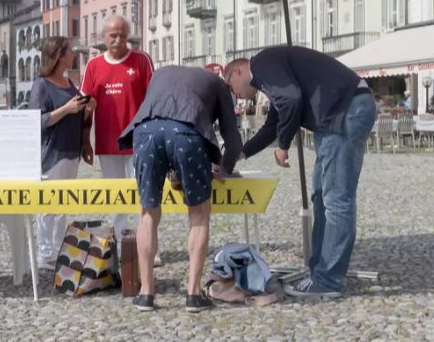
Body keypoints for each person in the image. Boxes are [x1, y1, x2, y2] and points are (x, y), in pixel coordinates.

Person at [225, 46, 376, 299]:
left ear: (238, 70)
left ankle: (328, 280)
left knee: (336, 200)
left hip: (344, 111)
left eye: (231, 86)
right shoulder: (272, 75)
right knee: (320, 196)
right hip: (335, 116)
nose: (236, 95)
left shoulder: (261, 65)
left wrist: (283, 146)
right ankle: (320, 271)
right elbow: (275, 121)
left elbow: (291, 100)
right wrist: (239, 154)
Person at [118, 66, 242, 313]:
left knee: (148, 213)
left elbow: (160, 116)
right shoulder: (219, 86)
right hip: (186, 132)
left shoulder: (162, 73)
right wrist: (223, 168)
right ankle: (194, 294)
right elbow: (234, 141)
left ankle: (146, 294)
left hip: (145, 131)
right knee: (199, 212)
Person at [80, 15, 153, 252]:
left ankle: (148, 244)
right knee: (115, 195)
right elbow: (87, 106)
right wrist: (86, 142)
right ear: (104, 37)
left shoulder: (141, 61)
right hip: (107, 142)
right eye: (113, 35)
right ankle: (121, 244)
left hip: (138, 142)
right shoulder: (94, 66)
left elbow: (154, 99)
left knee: (145, 193)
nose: (118, 39)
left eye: (122, 34)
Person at [29, 36, 90, 271]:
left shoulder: (69, 83)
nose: (73, 54)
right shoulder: (42, 84)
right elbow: (37, 120)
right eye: (69, 51)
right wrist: (67, 109)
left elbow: (75, 115)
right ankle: (45, 254)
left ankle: (58, 249)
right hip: (52, 153)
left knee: (62, 204)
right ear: (58, 56)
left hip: (71, 152)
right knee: (48, 206)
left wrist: (86, 108)